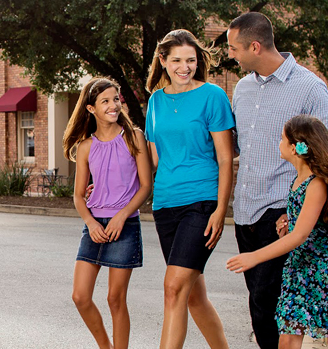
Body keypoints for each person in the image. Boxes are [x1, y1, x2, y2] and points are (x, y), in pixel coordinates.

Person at [226, 12, 328, 349]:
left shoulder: (309, 88)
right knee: (260, 306)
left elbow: (326, 154)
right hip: (245, 211)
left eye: (234, 48)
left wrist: (301, 210)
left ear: (255, 46)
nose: (231, 55)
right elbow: (235, 147)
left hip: (280, 215)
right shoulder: (242, 89)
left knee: (266, 305)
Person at [226, 115, 328, 348]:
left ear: (295, 147)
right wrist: (289, 220)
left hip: (326, 270)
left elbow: (300, 236)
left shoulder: (317, 183)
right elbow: (303, 223)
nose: (278, 144)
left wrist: (254, 257)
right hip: (299, 269)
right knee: (288, 338)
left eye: (281, 139)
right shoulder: (298, 179)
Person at [144, 29, 233, 349]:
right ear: (163, 61)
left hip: (202, 202)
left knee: (172, 287)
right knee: (193, 296)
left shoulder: (212, 96)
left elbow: (225, 158)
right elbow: (154, 160)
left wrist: (221, 209)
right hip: (165, 205)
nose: (185, 66)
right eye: (177, 60)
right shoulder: (156, 101)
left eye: (191, 60)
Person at [64, 77, 152, 349]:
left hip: (124, 225)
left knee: (115, 298)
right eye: (106, 101)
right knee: (80, 296)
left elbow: (146, 186)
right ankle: (106, 346)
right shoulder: (86, 147)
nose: (114, 105)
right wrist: (90, 222)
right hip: (94, 227)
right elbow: (79, 196)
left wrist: (122, 215)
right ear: (91, 109)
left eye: (116, 99)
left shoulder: (134, 137)